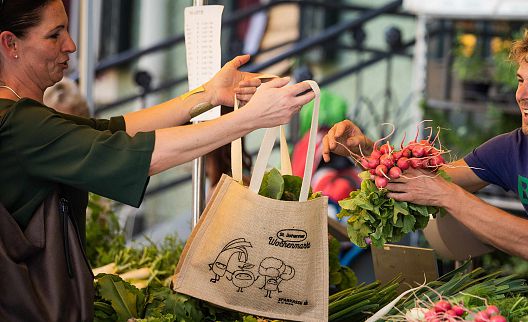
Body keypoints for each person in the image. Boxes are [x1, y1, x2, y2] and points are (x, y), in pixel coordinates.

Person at [0, 0, 314, 315]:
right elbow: (139, 154)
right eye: (55, 35)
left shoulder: (24, 118)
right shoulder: (18, 124)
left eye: (67, 29)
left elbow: (116, 131)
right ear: (10, 44)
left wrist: (208, 94)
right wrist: (249, 119)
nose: (71, 44)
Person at [322, 28, 528, 315]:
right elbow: (425, 180)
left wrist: (445, 194)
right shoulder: (515, 148)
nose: (521, 94)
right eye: (521, 81)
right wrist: (363, 151)